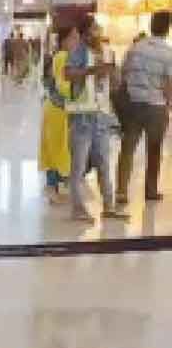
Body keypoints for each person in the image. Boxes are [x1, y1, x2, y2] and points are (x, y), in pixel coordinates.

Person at [63, 17, 127, 222]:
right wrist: (91, 71)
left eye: (97, 29)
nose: (97, 33)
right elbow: (68, 74)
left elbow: (115, 83)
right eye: (93, 30)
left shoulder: (107, 52)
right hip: (81, 118)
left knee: (104, 164)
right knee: (78, 167)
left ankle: (109, 207)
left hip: (102, 117)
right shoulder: (78, 52)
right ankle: (78, 210)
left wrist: (113, 75)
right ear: (84, 34)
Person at [116, 10, 172, 205]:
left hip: (133, 103)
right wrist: (169, 105)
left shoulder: (135, 48)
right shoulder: (168, 52)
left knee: (128, 147)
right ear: (168, 28)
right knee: (154, 149)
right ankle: (150, 190)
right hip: (156, 106)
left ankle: (121, 191)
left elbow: (123, 74)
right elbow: (169, 84)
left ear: (151, 25)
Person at [40, 25, 74, 206]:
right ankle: (52, 187)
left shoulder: (60, 56)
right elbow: (62, 84)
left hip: (57, 108)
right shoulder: (62, 56)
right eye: (73, 37)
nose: (76, 41)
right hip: (58, 110)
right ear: (64, 40)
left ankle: (54, 186)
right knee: (56, 149)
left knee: (57, 148)